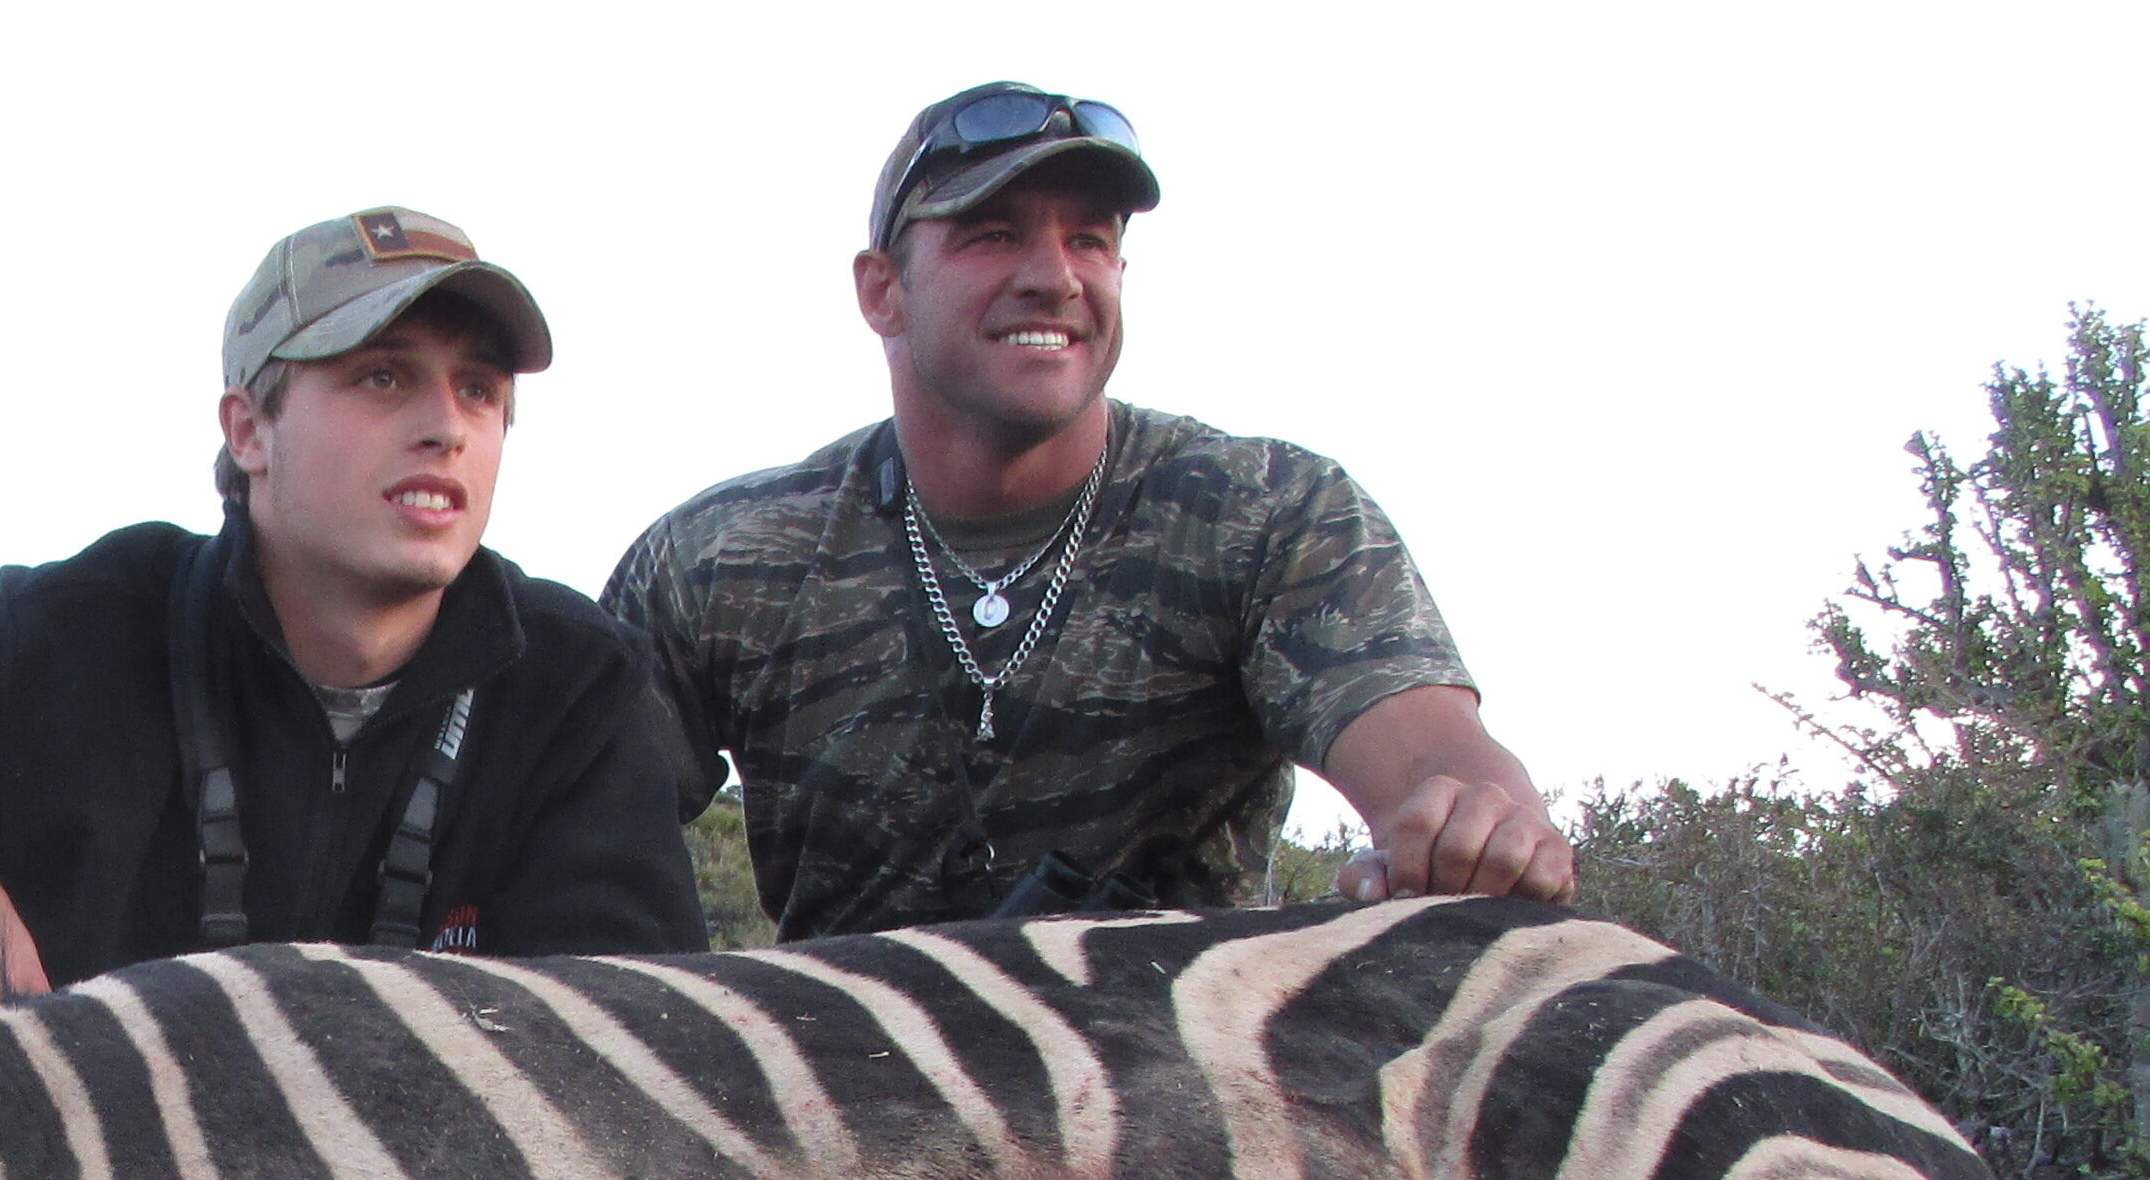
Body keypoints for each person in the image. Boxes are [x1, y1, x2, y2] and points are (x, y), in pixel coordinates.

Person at [0, 211, 708, 993]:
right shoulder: (72, 637)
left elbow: (639, 1061)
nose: (446, 425)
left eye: (479, 390)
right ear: (249, 430)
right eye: (383, 377)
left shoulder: (577, 692)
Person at [605, 83, 1574, 939]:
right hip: (835, 1111)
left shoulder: (1271, 513)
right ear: (882, 291)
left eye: (1091, 241)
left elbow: (1441, 757)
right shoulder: (717, 563)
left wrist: (1477, 829)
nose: (1055, 275)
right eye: (993, 233)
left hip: (1181, 1107)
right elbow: (570, 848)